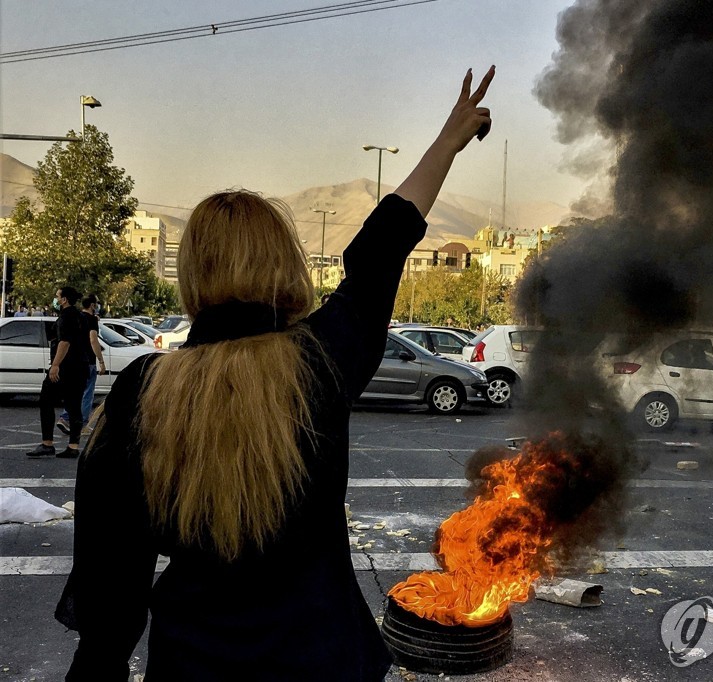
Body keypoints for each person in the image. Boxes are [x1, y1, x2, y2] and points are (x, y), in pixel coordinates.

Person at [55, 66, 495, 682]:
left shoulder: (142, 392)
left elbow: (110, 599)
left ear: (192, 274)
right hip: (326, 663)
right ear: (284, 263)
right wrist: (447, 142)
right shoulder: (320, 361)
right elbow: (381, 250)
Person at [26, 286, 90, 458]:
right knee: (74, 405)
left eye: (57, 296)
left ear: (64, 300)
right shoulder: (81, 317)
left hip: (66, 368)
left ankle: (47, 443)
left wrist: (55, 365)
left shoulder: (66, 317)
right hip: (80, 367)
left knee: (46, 400)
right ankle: (73, 446)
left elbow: (65, 343)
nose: (55, 299)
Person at [57, 294, 106, 435]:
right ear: (92, 305)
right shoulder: (91, 319)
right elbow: (93, 339)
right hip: (88, 361)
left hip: (74, 359)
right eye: (96, 303)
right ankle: (82, 424)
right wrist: (101, 360)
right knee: (87, 393)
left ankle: (65, 417)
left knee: (75, 391)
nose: (97, 305)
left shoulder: (77, 317)